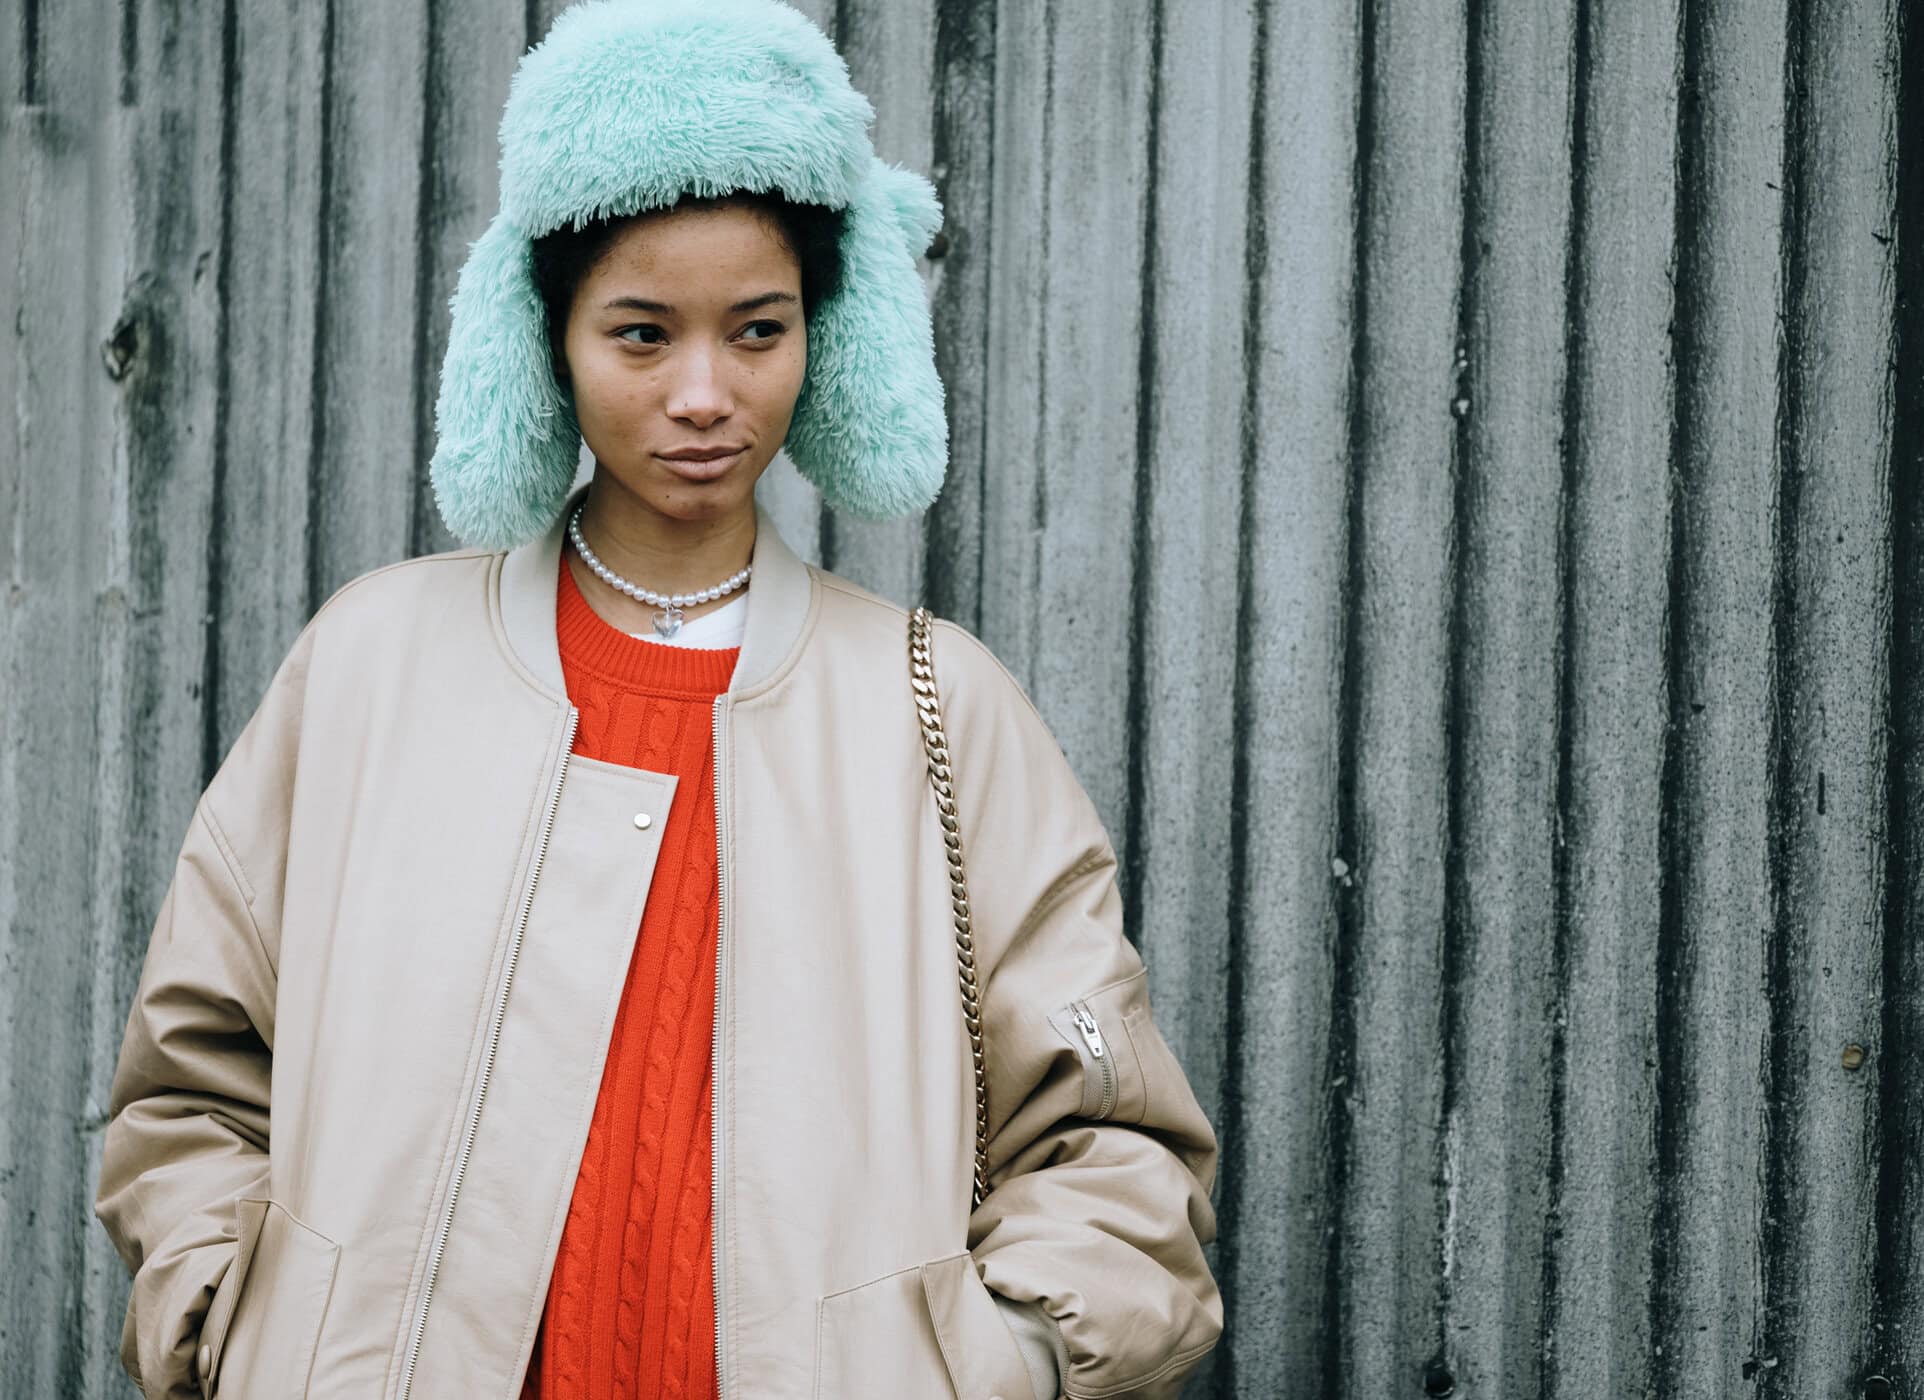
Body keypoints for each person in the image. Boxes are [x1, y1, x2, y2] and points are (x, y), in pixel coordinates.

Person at [92, 2, 1222, 1397]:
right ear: (548, 337)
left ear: (822, 335)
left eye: (757, 331)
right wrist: (232, 1322)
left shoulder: (939, 705)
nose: (703, 393)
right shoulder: (371, 666)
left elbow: (1114, 1143)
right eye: (640, 334)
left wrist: (994, 1366)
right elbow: (192, 1080)